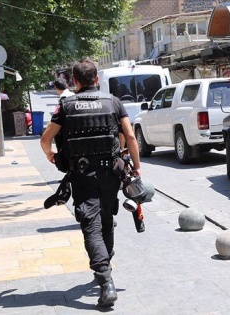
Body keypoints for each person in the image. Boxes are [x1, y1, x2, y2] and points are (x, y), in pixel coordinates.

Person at [40, 57, 141, 307]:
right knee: (106, 219)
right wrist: (136, 168)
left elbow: (45, 139)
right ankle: (106, 261)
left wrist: (50, 155)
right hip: (111, 174)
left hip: (82, 176)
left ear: (75, 81)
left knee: (90, 225)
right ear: (96, 79)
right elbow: (129, 135)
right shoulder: (114, 102)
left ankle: (105, 279)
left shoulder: (66, 106)